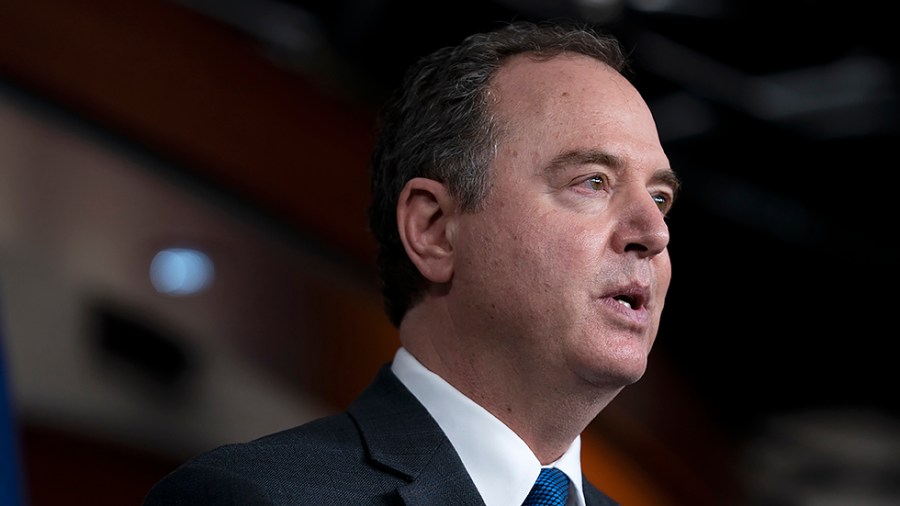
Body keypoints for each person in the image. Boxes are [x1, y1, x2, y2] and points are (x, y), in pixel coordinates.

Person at [143, 18, 679, 506]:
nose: (654, 233)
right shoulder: (248, 499)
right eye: (592, 182)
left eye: (659, 199)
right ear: (434, 231)